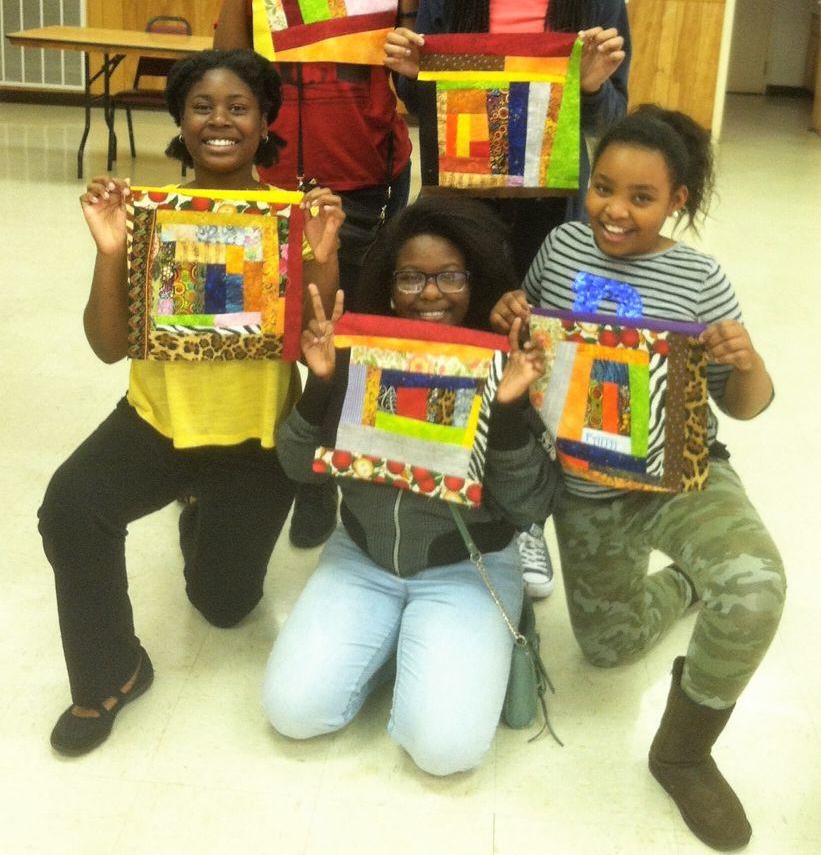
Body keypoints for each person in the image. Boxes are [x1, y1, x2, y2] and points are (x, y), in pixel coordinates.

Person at [490, 105, 786, 850]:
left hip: (680, 475)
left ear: (676, 200)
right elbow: (530, 340)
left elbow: (745, 407)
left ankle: (681, 752)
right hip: (585, 490)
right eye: (601, 187)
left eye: (641, 197)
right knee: (607, 650)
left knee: (753, 590)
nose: (614, 211)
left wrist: (745, 361)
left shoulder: (698, 276)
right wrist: (511, 315)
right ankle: (682, 586)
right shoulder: (559, 248)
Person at [38, 49, 345, 757]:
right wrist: (111, 251)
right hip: (158, 424)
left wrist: (323, 255)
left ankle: (201, 510)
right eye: (202, 106)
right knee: (71, 507)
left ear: (265, 120)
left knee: (224, 608)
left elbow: (317, 347)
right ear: (179, 118)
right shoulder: (150, 215)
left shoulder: (289, 214)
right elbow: (109, 348)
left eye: (238, 107)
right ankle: (111, 676)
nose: (219, 120)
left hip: (255, 442)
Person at [385, 0, 631, 597]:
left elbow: (613, 120)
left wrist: (593, 89)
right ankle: (441, 485)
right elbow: (421, 96)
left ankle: (524, 523)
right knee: (457, 338)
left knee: (530, 349)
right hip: (460, 198)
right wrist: (405, 69)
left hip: (547, 208)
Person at [261, 196, 562, 775]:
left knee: (444, 751)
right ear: (389, 284)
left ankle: (454, 639)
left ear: (476, 280)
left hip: (467, 566)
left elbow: (530, 506)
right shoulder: (360, 352)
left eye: (451, 276)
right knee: (292, 711)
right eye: (412, 277)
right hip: (362, 556)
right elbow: (298, 465)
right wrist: (322, 385)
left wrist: (503, 410)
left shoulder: (509, 359)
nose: (430, 294)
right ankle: (405, 643)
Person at [215, 0, 431, 550]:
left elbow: (415, 82)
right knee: (269, 330)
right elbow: (230, 65)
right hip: (271, 182)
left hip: (360, 182)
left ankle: (323, 477)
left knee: (340, 336)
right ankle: (262, 468)